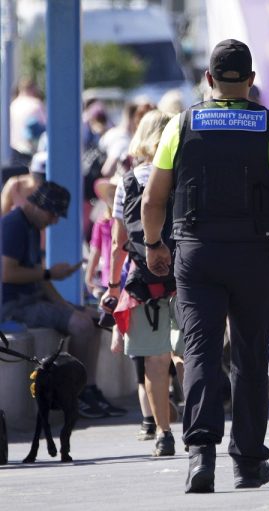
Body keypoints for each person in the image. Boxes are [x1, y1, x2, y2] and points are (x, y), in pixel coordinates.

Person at [141, 39, 269, 493]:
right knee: (250, 356)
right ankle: (249, 462)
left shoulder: (181, 125)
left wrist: (155, 245)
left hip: (196, 253)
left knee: (199, 351)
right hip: (252, 255)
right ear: (251, 81)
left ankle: (200, 455)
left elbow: (152, 199)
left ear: (209, 80)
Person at [1, 181, 125, 419]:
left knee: (93, 319)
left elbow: (42, 279)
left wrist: (66, 306)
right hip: (15, 307)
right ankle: (74, 395)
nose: (54, 221)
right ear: (40, 206)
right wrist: (50, 273)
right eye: (53, 214)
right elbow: (7, 273)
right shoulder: (13, 225)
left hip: (34, 299)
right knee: (81, 325)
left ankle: (89, 389)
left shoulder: (32, 227)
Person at [100, 109, 179, 457]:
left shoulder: (128, 182)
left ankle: (163, 433)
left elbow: (118, 242)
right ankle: (196, 424)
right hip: (184, 278)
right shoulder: (182, 175)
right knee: (188, 355)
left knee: (154, 361)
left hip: (142, 282)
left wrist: (114, 287)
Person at [9, 78, 46, 166]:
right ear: (32, 89)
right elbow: (46, 127)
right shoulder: (36, 104)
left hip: (13, 151)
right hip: (29, 151)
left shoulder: (12, 105)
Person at [1, 151, 46, 215]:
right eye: (38, 176)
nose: (41, 181)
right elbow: (3, 215)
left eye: (45, 177)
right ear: (30, 171)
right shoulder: (15, 185)